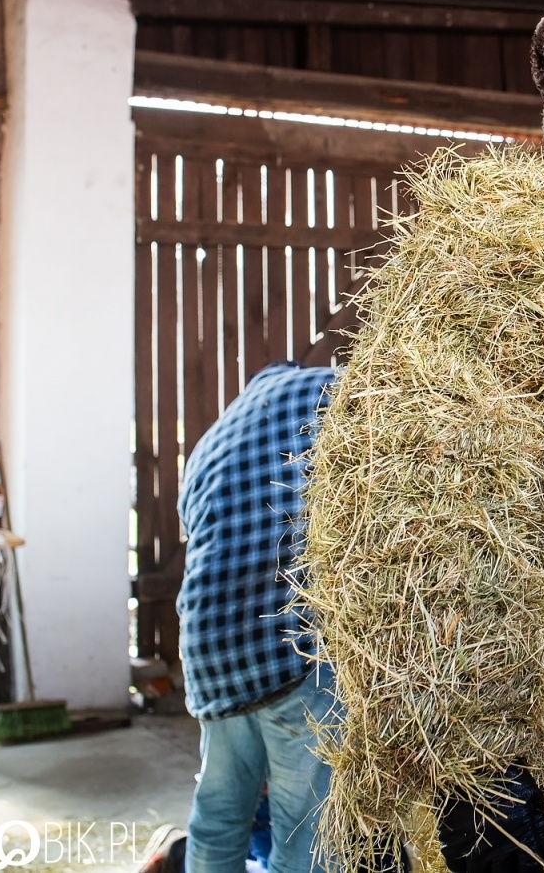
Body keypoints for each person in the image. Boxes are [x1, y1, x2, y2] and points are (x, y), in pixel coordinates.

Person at [174, 362, 339, 873]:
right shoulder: (325, 391)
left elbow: (193, 530)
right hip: (284, 646)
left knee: (219, 818)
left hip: (209, 653)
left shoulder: (210, 441)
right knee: (302, 828)